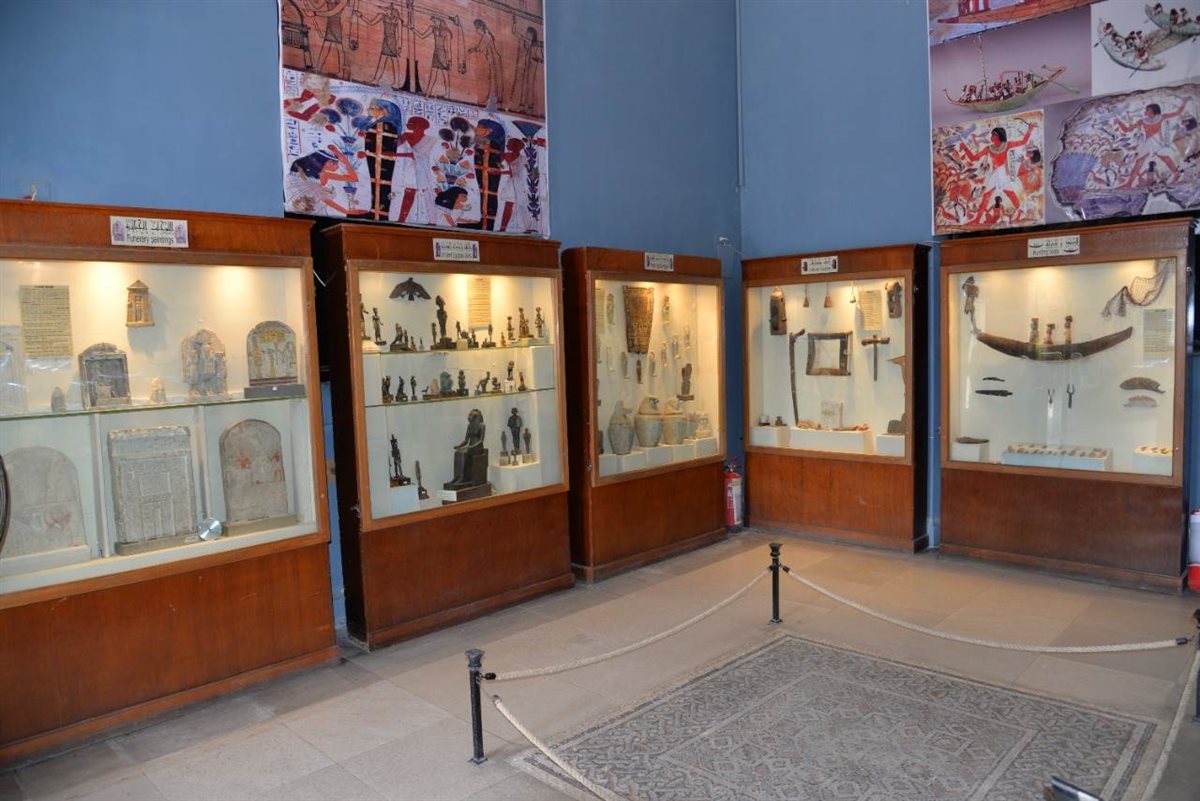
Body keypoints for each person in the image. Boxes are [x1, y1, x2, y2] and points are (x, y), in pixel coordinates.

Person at [958, 123, 1036, 225]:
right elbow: (974, 158)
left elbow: (1023, 142)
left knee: (1009, 195)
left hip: (1003, 173)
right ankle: (977, 220)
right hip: (996, 174)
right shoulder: (989, 148)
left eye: (993, 135)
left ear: (998, 136)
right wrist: (965, 148)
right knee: (988, 195)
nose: (991, 137)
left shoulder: (1008, 145)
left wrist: (1030, 129)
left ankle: (1021, 214)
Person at [467, 19, 504, 107]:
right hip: (492, 59)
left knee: (494, 79)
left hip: (494, 59)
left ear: (480, 27)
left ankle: (494, 99)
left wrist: (472, 50)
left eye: (476, 28)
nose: (476, 31)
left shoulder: (487, 36)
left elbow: (480, 48)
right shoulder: (486, 35)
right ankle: (493, 98)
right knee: (492, 79)